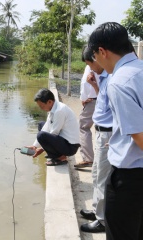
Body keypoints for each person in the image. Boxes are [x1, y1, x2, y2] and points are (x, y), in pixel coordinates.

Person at [88, 22, 143, 240]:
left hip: (130, 179)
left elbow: (139, 135)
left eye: (95, 56)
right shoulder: (140, 70)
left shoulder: (118, 82)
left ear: (102, 51)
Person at [78, 47, 113, 233]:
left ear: (100, 56)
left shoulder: (114, 77)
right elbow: (105, 103)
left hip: (108, 133)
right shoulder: (105, 77)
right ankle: (96, 209)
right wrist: (95, 87)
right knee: (96, 174)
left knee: (102, 178)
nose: (91, 69)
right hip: (101, 132)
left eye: (91, 64)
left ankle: (102, 220)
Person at [27, 88, 80, 166]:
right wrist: (34, 146)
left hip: (70, 147)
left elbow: (54, 132)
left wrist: (42, 149)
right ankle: (55, 154)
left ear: (49, 102)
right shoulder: (53, 108)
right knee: (41, 125)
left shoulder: (59, 111)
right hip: (64, 141)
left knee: (41, 135)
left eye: (42, 106)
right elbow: (46, 127)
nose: (41, 108)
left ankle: (60, 157)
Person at [74, 46, 99, 168]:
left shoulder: (95, 67)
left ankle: (88, 158)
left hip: (93, 100)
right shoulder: (93, 66)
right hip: (92, 99)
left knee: (83, 126)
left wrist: (85, 98)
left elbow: (87, 83)